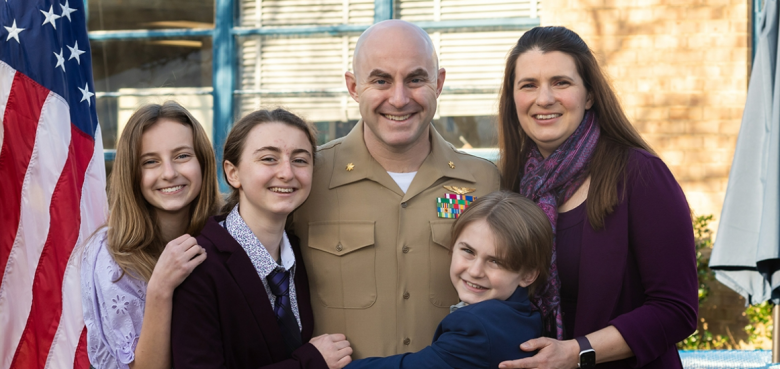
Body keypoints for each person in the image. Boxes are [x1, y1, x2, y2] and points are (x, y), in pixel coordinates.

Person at [289, 19, 502, 359]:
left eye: (416, 79)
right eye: (381, 80)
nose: (399, 98)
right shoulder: (306, 178)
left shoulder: (485, 182)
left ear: (439, 83)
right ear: (354, 86)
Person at [495, 26, 698, 369]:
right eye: (528, 85)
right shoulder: (511, 185)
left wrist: (576, 352)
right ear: (513, 99)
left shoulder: (640, 175)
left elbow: (676, 309)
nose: (544, 98)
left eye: (561, 82)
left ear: (589, 95)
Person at [170, 109, 352, 369]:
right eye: (268, 159)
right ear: (233, 173)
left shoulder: (301, 254)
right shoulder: (199, 266)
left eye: (300, 160)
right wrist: (309, 363)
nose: (287, 173)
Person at [81, 101, 219, 369]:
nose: (169, 173)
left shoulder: (227, 234)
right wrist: (160, 287)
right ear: (132, 173)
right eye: (150, 162)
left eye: (182, 156)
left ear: (203, 161)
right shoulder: (111, 254)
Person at [345, 191, 550, 369]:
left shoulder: (478, 327)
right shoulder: (524, 313)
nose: (475, 270)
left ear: (528, 275)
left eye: (495, 261)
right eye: (468, 251)